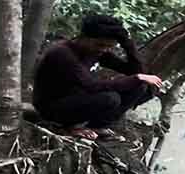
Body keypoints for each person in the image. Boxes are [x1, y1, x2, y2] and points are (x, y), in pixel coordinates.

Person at [32, 14, 163, 140]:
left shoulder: (96, 51)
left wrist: (127, 44)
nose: (104, 49)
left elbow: (134, 70)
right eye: (100, 45)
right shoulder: (63, 53)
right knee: (111, 98)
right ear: (84, 37)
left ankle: (97, 126)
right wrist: (137, 77)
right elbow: (91, 85)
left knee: (139, 86)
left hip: (76, 99)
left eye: (109, 46)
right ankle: (69, 127)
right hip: (51, 107)